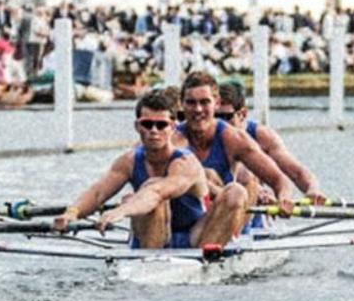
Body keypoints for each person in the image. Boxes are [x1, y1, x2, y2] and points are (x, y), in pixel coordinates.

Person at [53, 88, 247, 249]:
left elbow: (157, 192)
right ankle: (151, 259)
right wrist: (72, 213)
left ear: (172, 127)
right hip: (153, 237)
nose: (154, 130)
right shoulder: (128, 160)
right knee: (144, 192)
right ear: (137, 126)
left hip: (194, 239)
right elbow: (98, 194)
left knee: (236, 192)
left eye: (161, 125)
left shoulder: (186, 163)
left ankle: (208, 258)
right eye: (148, 124)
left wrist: (122, 211)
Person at [173, 71, 295, 214]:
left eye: (204, 102)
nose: (198, 109)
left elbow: (280, 180)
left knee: (246, 179)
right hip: (184, 222)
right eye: (191, 103)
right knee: (206, 174)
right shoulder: (173, 139)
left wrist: (284, 198)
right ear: (182, 104)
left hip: (221, 220)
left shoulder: (234, 139)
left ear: (216, 103)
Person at [215, 80, 325, 200]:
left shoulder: (262, 136)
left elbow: (296, 173)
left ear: (242, 114)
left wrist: (312, 190)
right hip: (217, 200)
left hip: (251, 206)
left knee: (247, 176)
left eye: (226, 117)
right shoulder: (201, 134)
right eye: (215, 116)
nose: (221, 123)